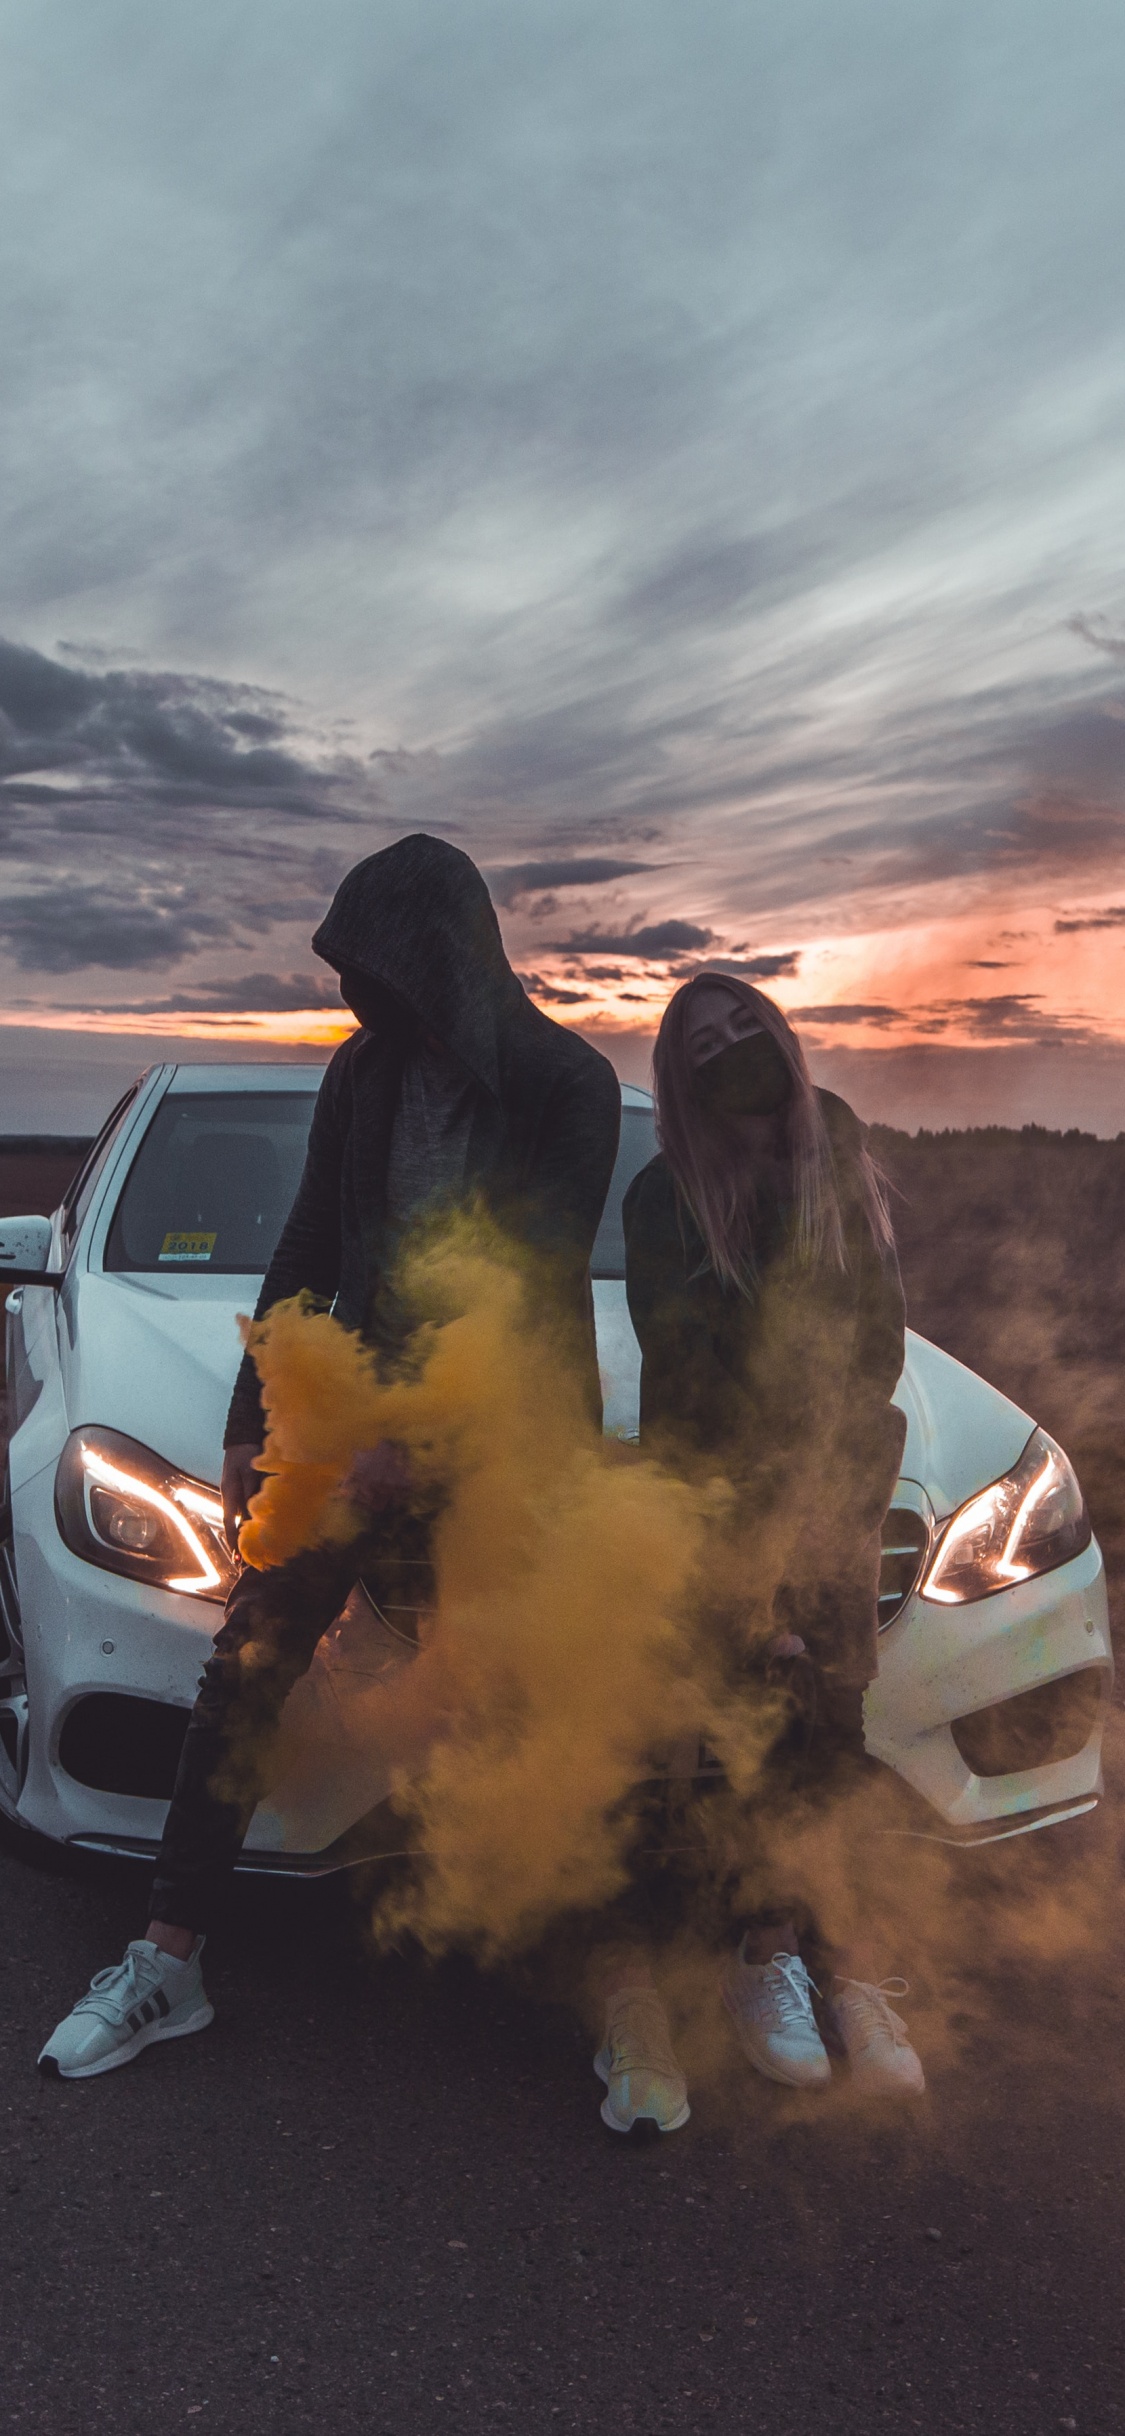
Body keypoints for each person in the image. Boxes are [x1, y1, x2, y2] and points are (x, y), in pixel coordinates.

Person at [40, 833, 621, 2080]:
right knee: (247, 1656)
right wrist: (253, 1419)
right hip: (351, 1419)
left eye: (379, 965)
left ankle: (621, 1982)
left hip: (512, 1425)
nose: (360, 993)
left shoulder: (565, 1083)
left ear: (441, 955)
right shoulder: (363, 1075)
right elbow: (308, 1244)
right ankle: (167, 1961)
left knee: (548, 1693)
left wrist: (421, 1448)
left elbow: (531, 1280)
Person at [592, 974, 924, 2136]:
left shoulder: (831, 1147)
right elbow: (694, 1401)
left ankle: (838, 1968)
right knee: (756, 1725)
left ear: (782, 1038)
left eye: (747, 1026)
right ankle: (759, 1954)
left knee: (833, 1741)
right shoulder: (660, 1200)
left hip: (839, 1492)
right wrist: (765, 1578)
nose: (736, 1048)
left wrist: (824, 1541)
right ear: (680, 1082)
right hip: (723, 1507)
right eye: (707, 1042)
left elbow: (870, 1356)